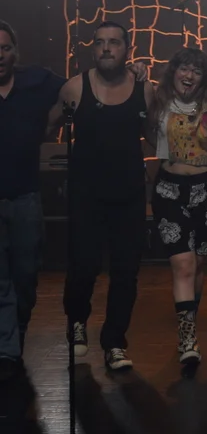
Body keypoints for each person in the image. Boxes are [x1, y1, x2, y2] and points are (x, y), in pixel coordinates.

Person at [52, 21, 155, 371]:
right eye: (99, 43)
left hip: (128, 194)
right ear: (93, 48)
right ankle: (77, 322)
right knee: (83, 267)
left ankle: (114, 342)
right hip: (87, 194)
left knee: (126, 272)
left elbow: (156, 135)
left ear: (127, 49)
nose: (106, 48)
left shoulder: (144, 88)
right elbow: (47, 124)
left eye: (113, 42)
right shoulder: (75, 87)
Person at [147, 47, 207, 367]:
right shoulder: (158, 102)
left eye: (196, 70)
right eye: (183, 68)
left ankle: (189, 319)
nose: (189, 75)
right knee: (182, 264)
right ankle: (188, 338)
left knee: (198, 263)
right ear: (173, 72)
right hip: (170, 189)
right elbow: (147, 136)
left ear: (204, 77)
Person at [0, 21, 65, 381]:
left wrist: (132, 73)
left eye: (4, 48)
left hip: (25, 196)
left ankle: (16, 335)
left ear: (15, 52)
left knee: (25, 276)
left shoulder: (36, 81)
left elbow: (76, 89)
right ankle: (7, 350)